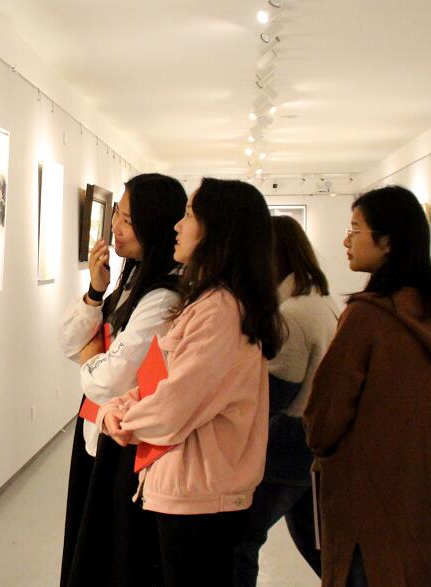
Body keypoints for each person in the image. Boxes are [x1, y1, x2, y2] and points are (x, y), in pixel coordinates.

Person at [97, 177, 283, 587]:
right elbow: (159, 382)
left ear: (218, 229)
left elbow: (172, 407)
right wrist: (115, 408)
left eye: (188, 215)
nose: (177, 226)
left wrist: (121, 418)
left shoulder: (219, 312)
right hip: (187, 490)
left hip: (200, 497)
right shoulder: (207, 303)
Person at [303, 185, 431, 587]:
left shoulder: (367, 318)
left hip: (362, 498)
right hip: (421, 489)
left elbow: (325, 417)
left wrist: (316, 438)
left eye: (355, 229)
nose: (345, 241)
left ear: (388, 242)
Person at [59, 173, 187, 585]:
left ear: (156, 226)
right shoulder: (131, 279)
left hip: (125, 440)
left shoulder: (164, 296)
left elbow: (108, 381)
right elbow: (68, 341)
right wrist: (96, 292)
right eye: (117, 212)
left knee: (113, 558)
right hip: (98, 428)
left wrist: (92, 354)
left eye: (128, 220)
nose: (115, 225)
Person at [233, 215, 338, 585]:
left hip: (288, 447)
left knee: (242, 541)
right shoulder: (320, 300)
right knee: (317, 543)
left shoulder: (293, 314)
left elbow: (276, 393)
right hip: (310, 444)